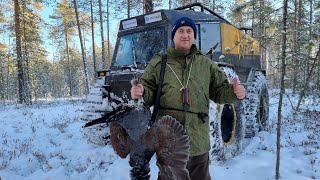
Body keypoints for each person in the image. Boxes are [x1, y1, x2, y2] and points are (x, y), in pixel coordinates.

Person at [131, 17, 246, 180]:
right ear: (173, 36)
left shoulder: (206, 64)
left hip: (198, 141)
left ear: (194, 36)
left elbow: (219, 92)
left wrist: (234, 93)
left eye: (189, 31)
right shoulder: (159, 62)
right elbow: (147, 92)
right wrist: (140, 92)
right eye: (181, 31)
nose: (185, 35)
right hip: (168, 141)